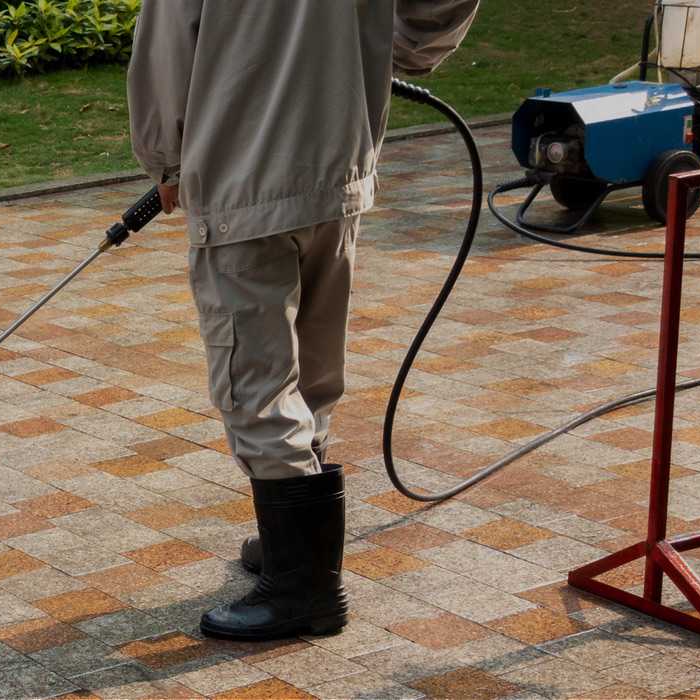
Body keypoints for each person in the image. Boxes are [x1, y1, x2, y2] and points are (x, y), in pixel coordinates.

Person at [126, 0, 481, 641]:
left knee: (254, 387)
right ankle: (292, 542)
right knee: (312, 367)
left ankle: (303, 591)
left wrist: (166, 160)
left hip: (243, 177)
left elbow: (166, 48)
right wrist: (391, 49)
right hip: (337, 169)